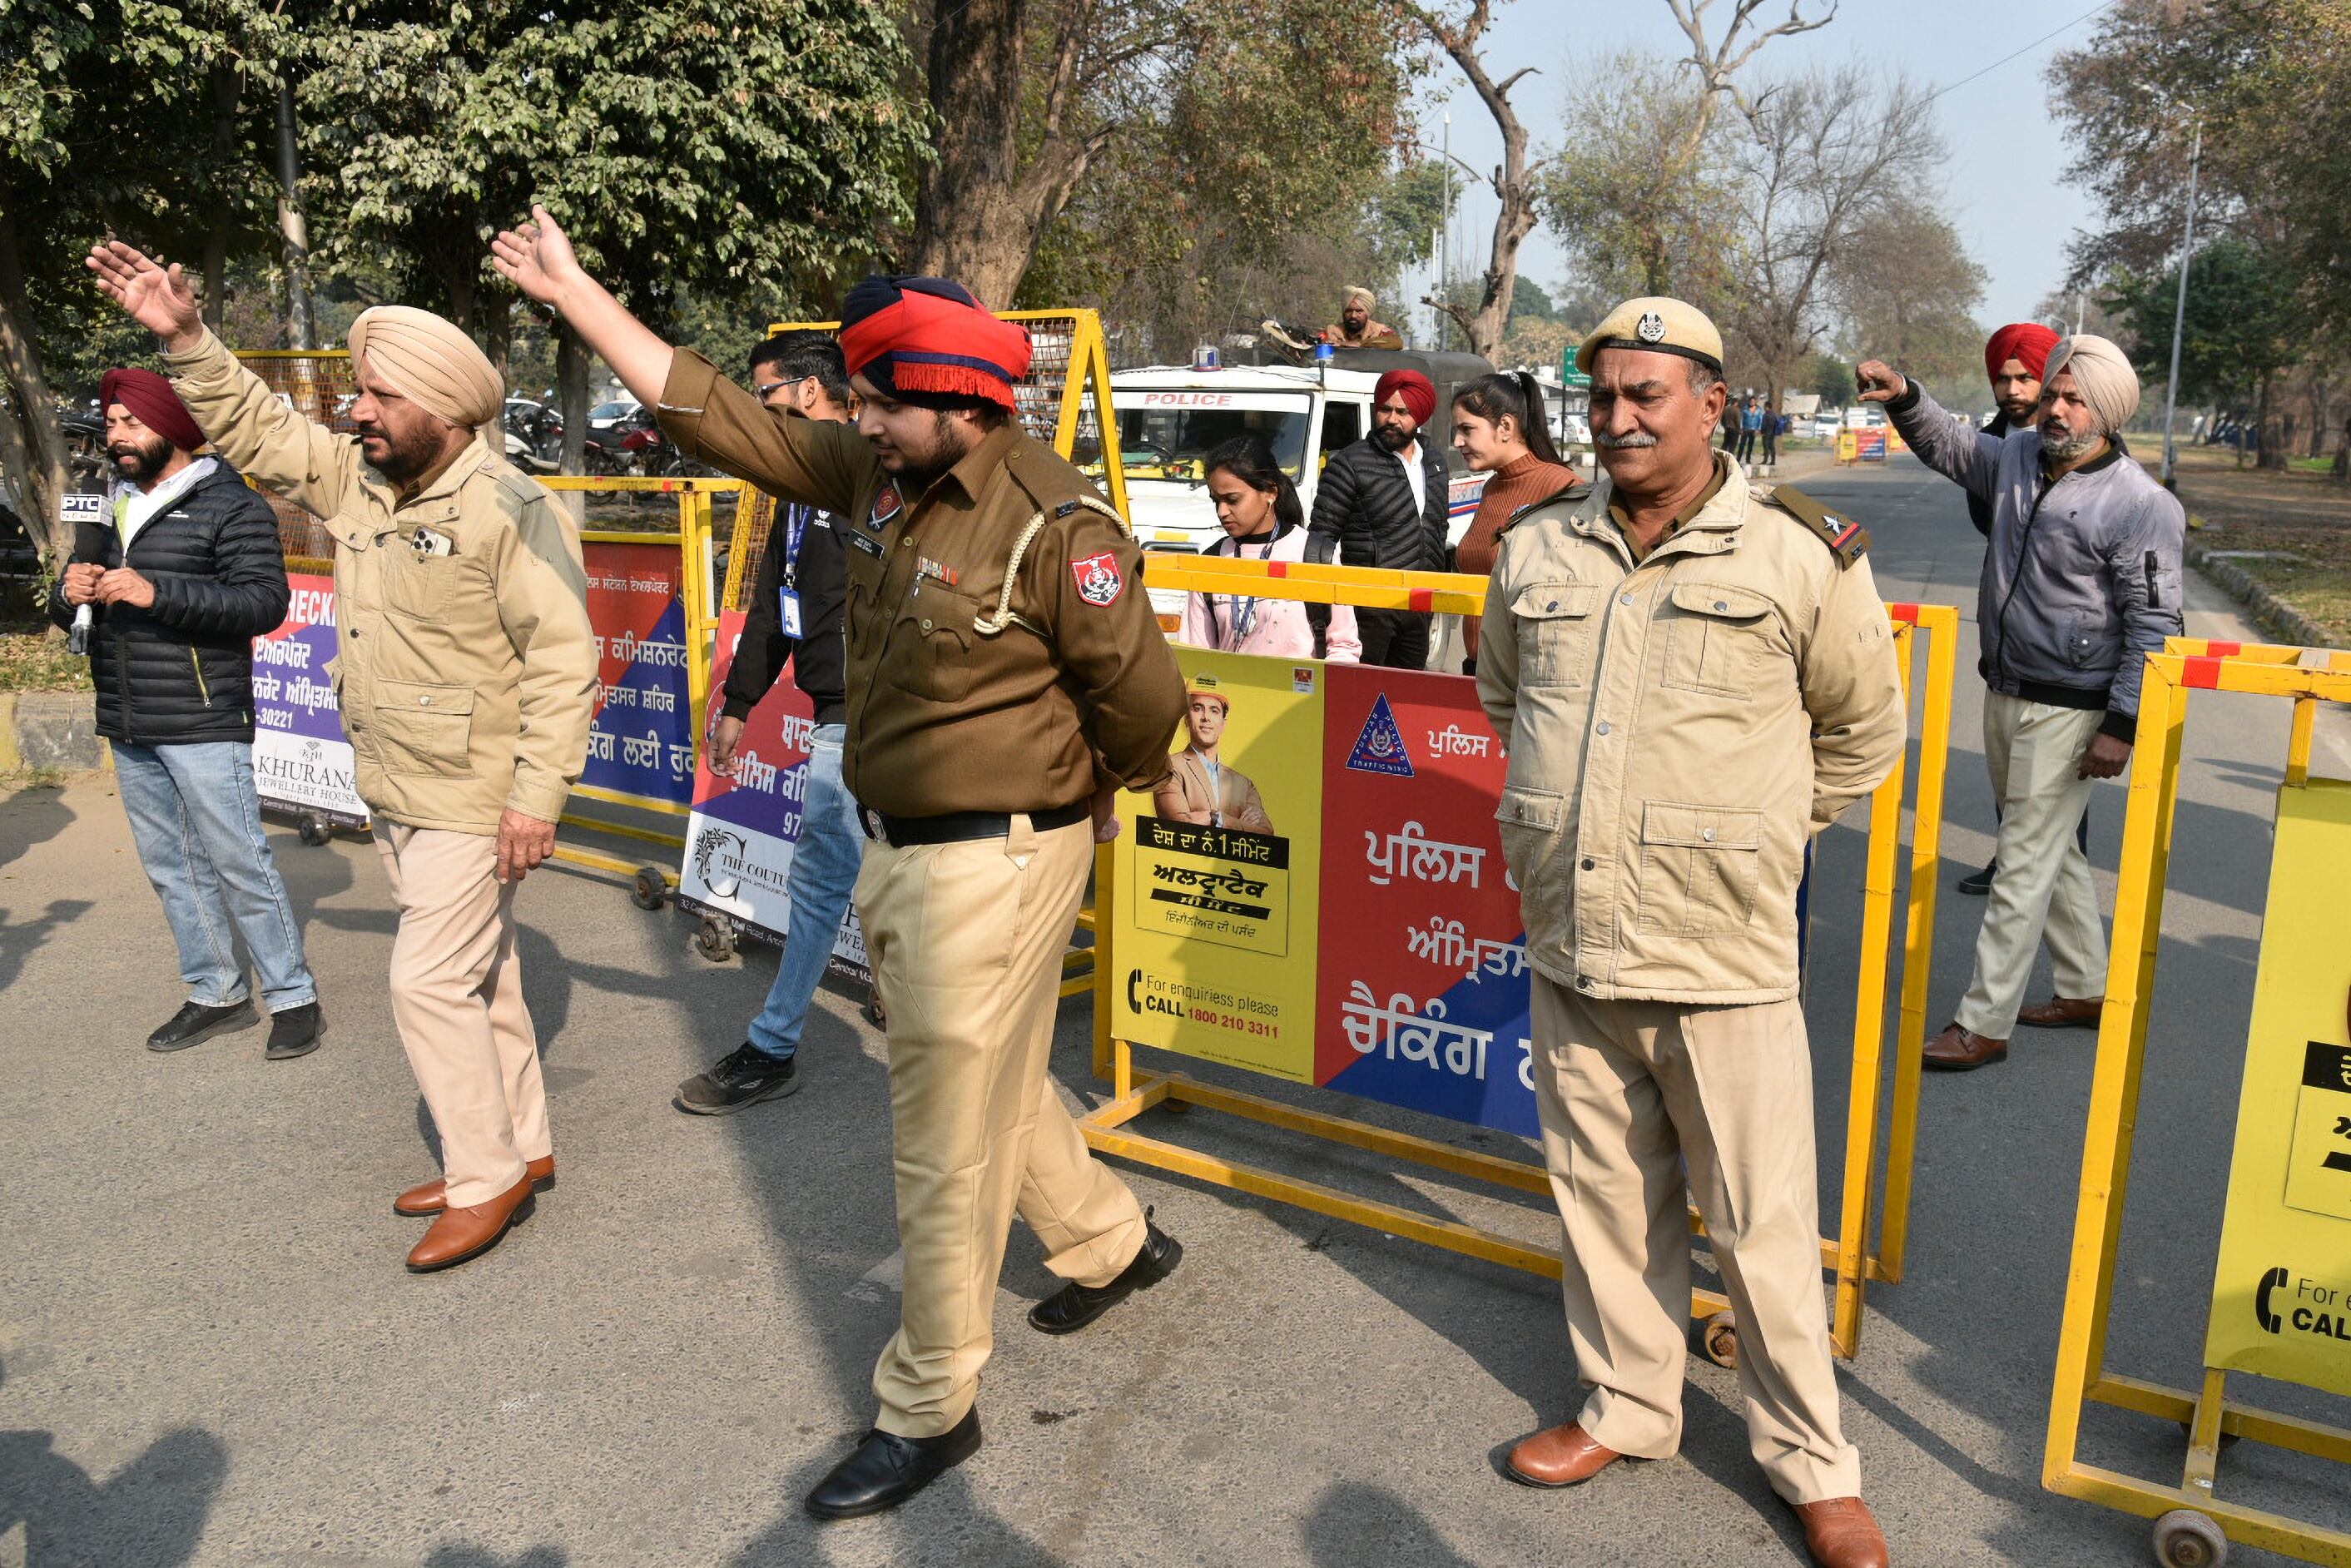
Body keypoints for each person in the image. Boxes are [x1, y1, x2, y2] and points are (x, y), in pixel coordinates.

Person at [491, 207, 1188, 1519]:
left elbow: (1141, 711)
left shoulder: (1054, 529)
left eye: (880, 400)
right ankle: (1107, 1243)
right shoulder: (876, 478)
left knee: (939, 1143)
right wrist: (577, 295)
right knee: (984, 1079)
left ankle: (930, 1406)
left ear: (960, 404)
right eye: (855, 400)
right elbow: (711, 412)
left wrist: (1077, 795)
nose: (856, 417)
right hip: (904, 850)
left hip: (994, 864)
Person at [1479, 296, 1905, 1568]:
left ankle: (1812, 1464)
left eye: (1645, 398)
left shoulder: (1796, 552)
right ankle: (1629, 1404)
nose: (1615, 420)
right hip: (1574, 935)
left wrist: (1756, 835)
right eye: (1600, 398)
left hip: (1720, 953)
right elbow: (1506, 694)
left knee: (1763, 1223)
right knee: (1604, 1197)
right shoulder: (1540, 544)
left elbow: (1864, 734)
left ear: (1712, 406)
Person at [87, 241, 599, 1274]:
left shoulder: (516, 510)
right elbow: (258, 427)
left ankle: (483, 1176)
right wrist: (186, 341)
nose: (356, 411)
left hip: (471, 790)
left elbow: (561, 661)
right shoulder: (362, 482)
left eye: (377, 396)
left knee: (423, 982)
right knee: (484, 974)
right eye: (358, 392)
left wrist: (537, 799)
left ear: (444, 409)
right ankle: (522, 1146)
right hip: (395, 780)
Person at [1858, 337, 2185, 1073]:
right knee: (2052, 846)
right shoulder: (2013, 460)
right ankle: (2086, 989)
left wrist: (2121, 724)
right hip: (2005, 687)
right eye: (2051, 395)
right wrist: (1905, 393)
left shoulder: (2141, 504)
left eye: (2073, 400)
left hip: (2073, 709)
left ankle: (1982, 1022)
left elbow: (2156, 626)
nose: (2054, 409)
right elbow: (1949, 444)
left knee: (2022, 864)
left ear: (2108, 413)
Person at [48, 367, 322, 1059]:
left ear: (172, 426)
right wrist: (68, 591)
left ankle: (293, 999)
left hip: (203, 714)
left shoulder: (232, 504)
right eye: (111, 425)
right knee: (173, 866)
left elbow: (264, 604)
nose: (117, 438)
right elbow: (77, 610)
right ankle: (215, 991)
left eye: (131, 423)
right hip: (129, 712)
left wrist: (155, 591)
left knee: (238, 860)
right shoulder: (108, 505)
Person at [674, 331, 860, 1114]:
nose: (760, 413)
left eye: (768, 396)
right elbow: (774, 607)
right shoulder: (796, 485)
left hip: (875, 715)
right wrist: (741, 705)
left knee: (824, 877)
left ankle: (773, 1044)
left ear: (812, 394)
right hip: (832, 711)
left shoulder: (871, 474)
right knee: (856, 879)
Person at [1954, 322, 2063, 898]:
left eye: (2027, 377)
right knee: (2008, 760)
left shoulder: (2079, 439)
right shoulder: (1987, 444)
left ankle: (2052, 878)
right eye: (2004, 377)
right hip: (2006, 621)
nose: (2015, 389)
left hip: (2070, 635)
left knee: (2058, 768)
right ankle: (2009, 861)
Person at [1307, 368, 1450, 668]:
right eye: (1385, 409)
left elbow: (1439, 527)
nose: (1392, 419)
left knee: (1409, 697)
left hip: (1419, 603)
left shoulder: (1434, 462)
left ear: (1420, 416)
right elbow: (1320, 541)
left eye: (1403, 411)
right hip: (1368, 609)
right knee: (1362, 701)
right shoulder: (1349, 463)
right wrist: (1321, 615)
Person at [1447, 370, 1585, 673]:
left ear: (1505, 426)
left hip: (1526, 677)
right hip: (1479, 668)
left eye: (1467, 429)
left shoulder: (1563, 489)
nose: (1457, 441)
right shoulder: (1492, 487)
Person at [1177, 436, 1360, 662]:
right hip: (1229, 696)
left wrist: (1327, 693)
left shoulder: (1315, 555)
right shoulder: (1210, 563)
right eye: (1216, 501)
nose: (1222, 511)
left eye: (1232, 499)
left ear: (1271, 492)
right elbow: (1196, 654)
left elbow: (1343, 645)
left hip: (1302, 696)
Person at [1153, 685, 1273, 831]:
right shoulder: (1169, 767)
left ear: (1223, 723)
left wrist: (1220, 820)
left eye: (1214, 711)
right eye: (1197, 708)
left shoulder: (1244, 785)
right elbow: (1178, 823)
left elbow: (1266, 832)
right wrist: (1229, 821)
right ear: (1186, 719)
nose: (1206, 717)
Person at [1319, 285, 1405, 350]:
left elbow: (1396, 342)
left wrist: (1361, 344)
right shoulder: (1331, 331)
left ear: (1367, 313)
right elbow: (1312, 344)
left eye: (1359, 311)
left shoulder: (1378, 331)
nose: (1353, 316)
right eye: (1349, 311)